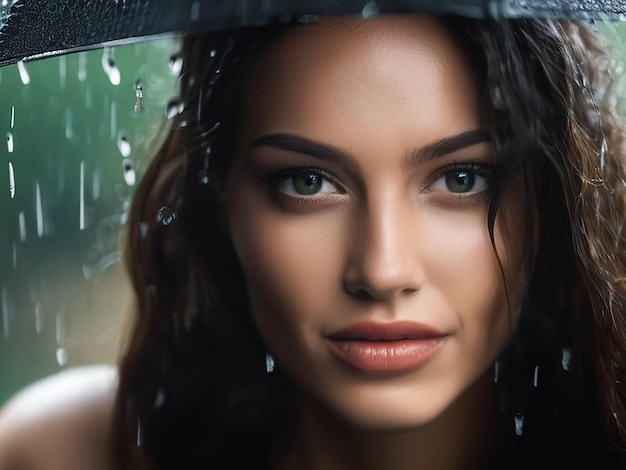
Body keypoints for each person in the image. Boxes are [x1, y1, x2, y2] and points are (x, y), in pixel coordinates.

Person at [1, 12, 626, 470]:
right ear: (219, 201)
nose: (381, 270)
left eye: (462, 178)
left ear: (552, 198)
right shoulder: (65, 453)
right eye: (308, 182)